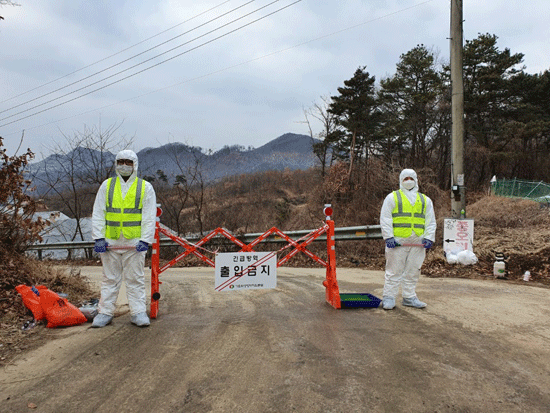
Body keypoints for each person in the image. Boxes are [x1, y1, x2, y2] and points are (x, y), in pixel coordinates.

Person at [91, 150, 157, 327]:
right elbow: (98, 212)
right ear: (115, 163)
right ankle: (105, 312)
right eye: (121, 162)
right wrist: (98, 237)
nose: (124, 166)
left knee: (135, 279)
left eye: (128, 162)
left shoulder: (145, 187)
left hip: (133, 243)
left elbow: (149, 216)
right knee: (110, 279)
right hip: (110, 241)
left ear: (135, 165)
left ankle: (138, 312)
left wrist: (145, 240)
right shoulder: (107, 185)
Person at [379, 169, 436, 310]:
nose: (408, 180)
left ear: (416, 180)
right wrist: (389, 237)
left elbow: (430, 221)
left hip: (418, 241)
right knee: (394, 271)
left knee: (413, 271)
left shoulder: (425, 200)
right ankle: (389, 297)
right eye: (406, 178)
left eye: (411, 178)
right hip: (398, 241)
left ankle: (409, 297)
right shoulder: (392, 197)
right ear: (401, 180)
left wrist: (429, 237)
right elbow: (385, 218)